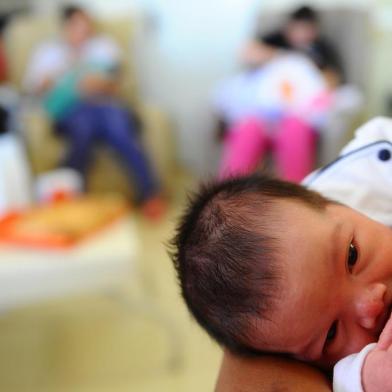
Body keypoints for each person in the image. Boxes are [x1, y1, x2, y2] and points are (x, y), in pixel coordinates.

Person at [171, 117, 392, 391]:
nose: (371, 306)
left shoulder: (366, 180)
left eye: (351, 256)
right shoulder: (359, 365)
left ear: (332, 202)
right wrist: (369, 376)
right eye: (331, 334)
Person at [23, 4, 164, 218]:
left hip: (105, 104)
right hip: (71, 110)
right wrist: (55, 79)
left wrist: (99, 84)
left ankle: (150, 194)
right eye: (78, 25)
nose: (84, 30)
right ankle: (72, 197)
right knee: (83, 129)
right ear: (66, 27)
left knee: (120, 130)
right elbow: (32, 90)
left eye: (86, 25)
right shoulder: (48, 52)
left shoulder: (103, 46)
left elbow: (119, 84)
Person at [214, 34, 330, 182]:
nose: (247, 53)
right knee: (248, 128)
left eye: (254, 48)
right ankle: (229, 190)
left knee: (294, 128)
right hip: (259, 123)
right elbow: (227, 103)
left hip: (296, 121)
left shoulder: (297, 66)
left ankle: (296, 189)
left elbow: (315, 98)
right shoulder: (247, 76)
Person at [264, 5, 343, 87]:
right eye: (296, 28)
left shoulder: (322, 48)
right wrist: (283, 56)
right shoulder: (277, 40)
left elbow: (335, 77)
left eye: (305, 29)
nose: (300, 34)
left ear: (315, 30)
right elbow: (254, 51)